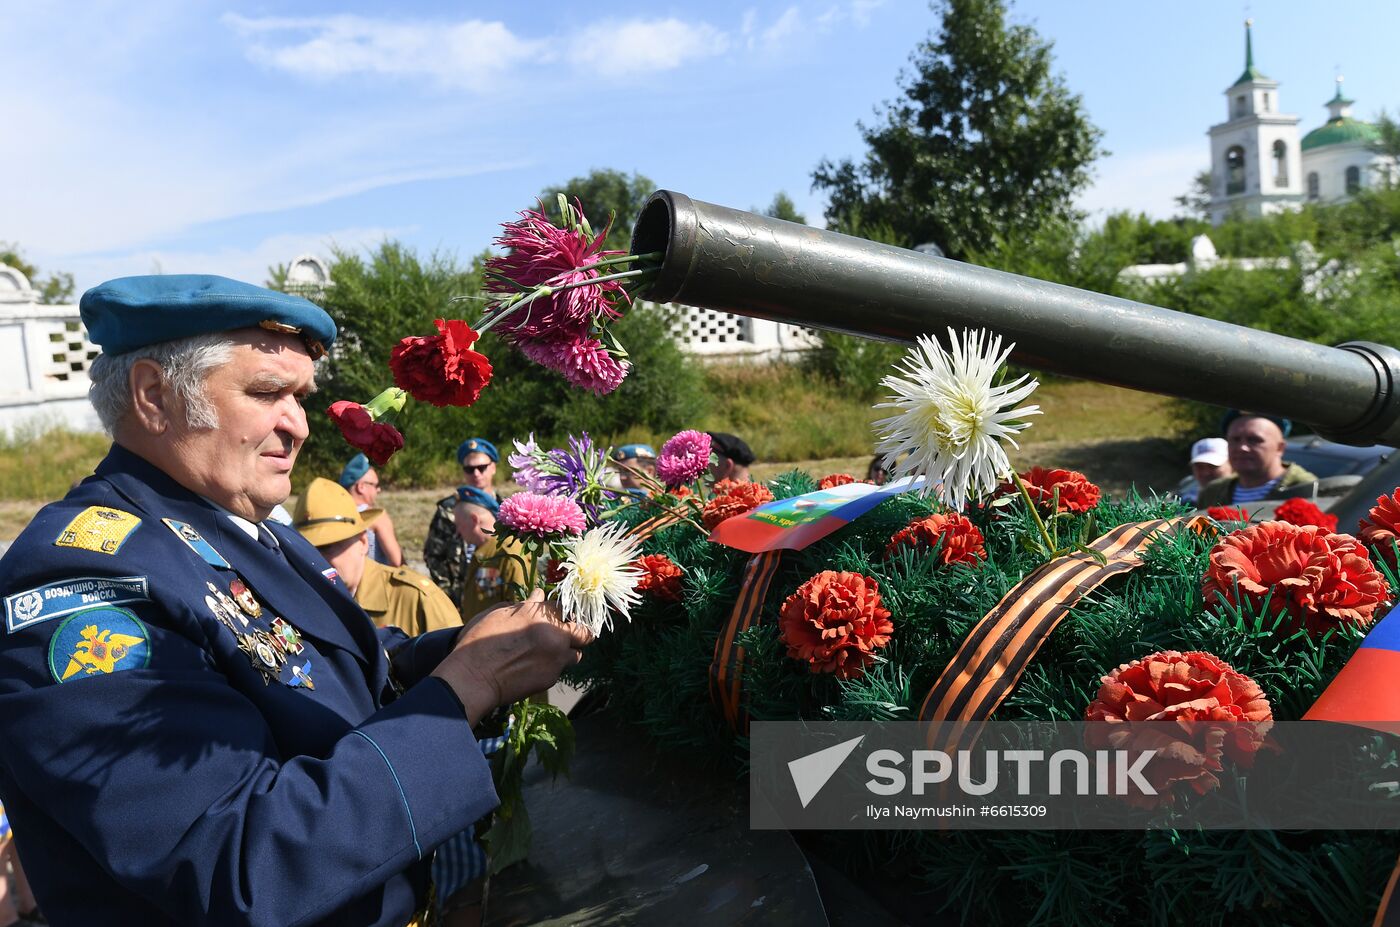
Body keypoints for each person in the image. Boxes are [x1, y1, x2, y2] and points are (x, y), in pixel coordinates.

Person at [0, 275, 591, 925]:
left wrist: (478, 646)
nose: (299, 425)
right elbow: (239, 863)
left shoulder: (253, 531)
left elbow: (345, 665)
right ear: (153, 396)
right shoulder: (78, 579)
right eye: (265, 393)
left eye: (300, 397)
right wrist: (467, 685)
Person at [294, 477, 459, 637]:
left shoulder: (417, 599)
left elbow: (465, 660)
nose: (317, 560)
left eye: (328, 547)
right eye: (307, 550)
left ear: (363, 542)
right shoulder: (297, 601)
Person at [425, 438, 499, 606]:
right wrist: (447, 598)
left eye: (482, 468)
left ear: (493, 467)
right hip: (458, 600)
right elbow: (434, 555)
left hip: (495, 598)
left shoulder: (505, 509)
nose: (476, 474)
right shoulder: (448, 509)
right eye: (469, 469)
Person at [1196, 410, 1318, 508]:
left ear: (1280, 448)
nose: (1242, 448)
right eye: (1235, 439)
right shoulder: (1212, 493)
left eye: (1254, 440)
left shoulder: (1309, 489)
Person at [453, 487, 530, 619]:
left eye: (458, 525)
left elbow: (521, 609)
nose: (457, 532)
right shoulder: (482, 551)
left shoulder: (509, 552)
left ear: (474, 520)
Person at [338, 453, 403, 566]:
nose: (378, 490)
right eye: (375, 485)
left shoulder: (332, 514)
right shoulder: (376, 516)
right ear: (361, 487)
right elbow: (397, 561)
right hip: (373, 582)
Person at [1180, 437, 1232, 504]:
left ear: (1231, 463)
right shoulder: (1187, 502)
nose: (1206, 473)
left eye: (1213, 466)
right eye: (1199, 467)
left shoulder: (1246, 494)